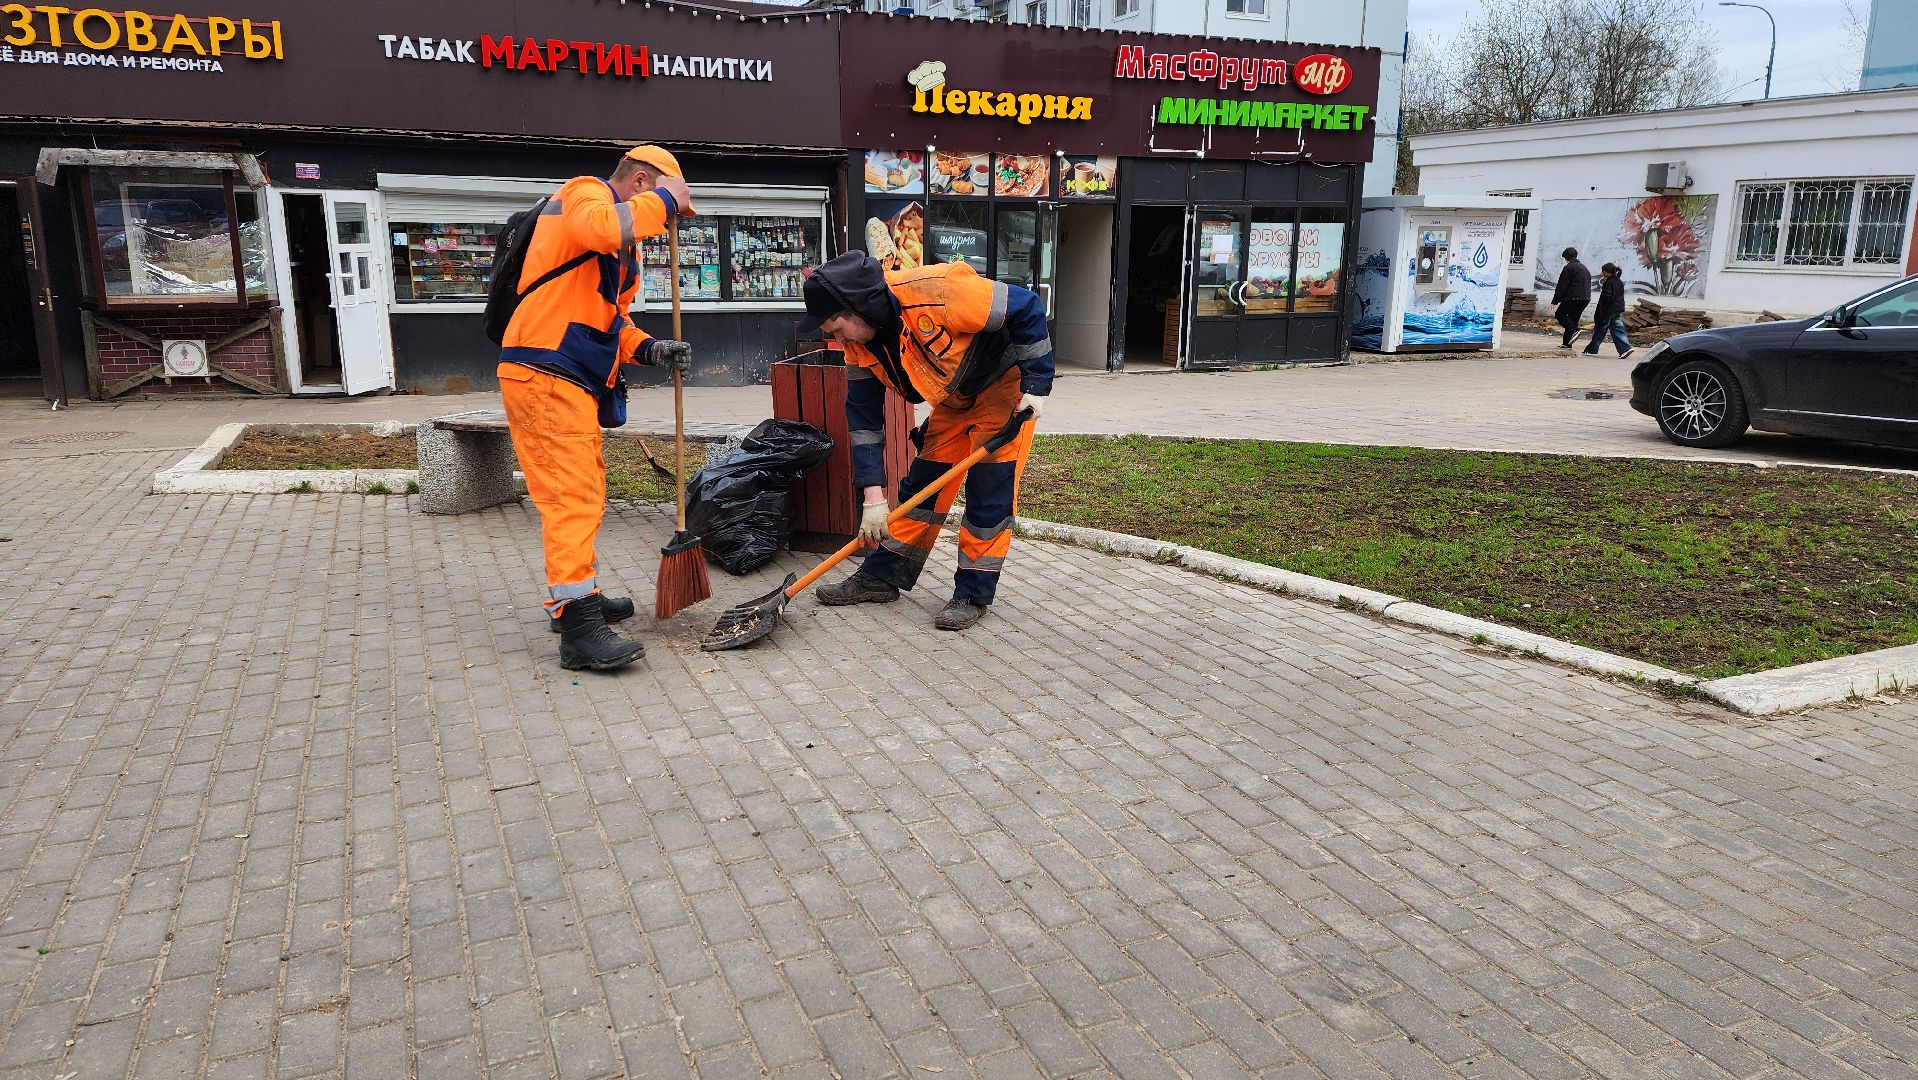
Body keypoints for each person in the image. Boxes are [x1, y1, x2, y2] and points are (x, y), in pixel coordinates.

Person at [497, 145, 695, 672]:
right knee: (571, 496)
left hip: (567, 374)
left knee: (582, 488)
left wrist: (649, 348)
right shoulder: (585, 193)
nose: (669, 222)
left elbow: (611, 321)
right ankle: (579, 627)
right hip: (544, 369)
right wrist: (666, 204)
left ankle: (575, 596)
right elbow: (600, 229)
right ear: (639, 183)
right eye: (667, 202)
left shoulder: (620, 253)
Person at [800, 251, 1053, 631]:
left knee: (988, 494)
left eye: (835, 326)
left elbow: (1026, 306)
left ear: (859, 308)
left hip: (1004, 390)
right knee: (922, 487)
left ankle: (972, 592)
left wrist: (1037, 385)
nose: (833, 337)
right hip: (953, 400)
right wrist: (872, 496)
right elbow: (865, 420)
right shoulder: (857, 345)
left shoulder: (940, 292)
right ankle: (881, 577)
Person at [1583, 262, 1635, 359]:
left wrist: (1601, 313)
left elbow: (1605, 300)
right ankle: (1625, 349)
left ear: (1606, 272)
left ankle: (1592, 350)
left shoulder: (1608, 283)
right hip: (1617, 309)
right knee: (1617, 329)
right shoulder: (1618, 281)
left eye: (1602, 271)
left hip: (1609, 311)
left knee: (1600, 329)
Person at [1551, 246, 1591, 349]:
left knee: (1560, 315)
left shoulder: (1569, 268)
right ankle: (1567, 343)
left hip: (1573, 297)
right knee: (1573, 319)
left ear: (1566, 257)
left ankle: (1575, 331)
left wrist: (1555, 301)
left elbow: (1562, 285)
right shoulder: (1584, 268)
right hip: (1585, 298)